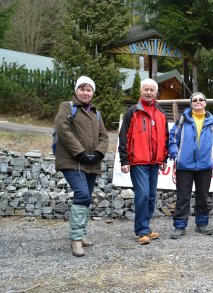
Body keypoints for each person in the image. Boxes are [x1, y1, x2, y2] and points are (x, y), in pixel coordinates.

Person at [54, 76, 108, 257]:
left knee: (87, 197)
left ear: (93, 92)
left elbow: (104, 137)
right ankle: (76, 239)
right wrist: (80, 153)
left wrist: (99, 153)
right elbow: (63, 130)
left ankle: (82, 233)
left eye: (89, 89)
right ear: (76, 90)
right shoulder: (67, 107)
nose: (85, 92)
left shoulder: (96, 113)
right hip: (71, 161)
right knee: (82, 194)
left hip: (91, 162)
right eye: (82, 89)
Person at [168, 92, 213, 239]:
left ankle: (202, 224)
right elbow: (173, 138)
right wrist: (176, 155)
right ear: (191, 103)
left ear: (205, 103)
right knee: (183, 197)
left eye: (201, 100)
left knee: (202, 197)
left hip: (205, 166)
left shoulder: (212, 120)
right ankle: (179, 226)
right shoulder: (183, 120)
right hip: (184, 166)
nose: (198, 102)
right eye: (195, 100)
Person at [118, 78, 169, 245]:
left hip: (155, 162)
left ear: (156, 93)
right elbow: (124, 137)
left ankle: (146, 227)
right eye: (146, 89)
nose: (148, 92)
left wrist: (164, 158)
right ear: (140, 92)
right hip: (138, 163)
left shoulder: (161, 114)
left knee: (152, 196)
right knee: (143, 195)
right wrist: (124, 160)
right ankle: (141, 230)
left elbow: (165, 138)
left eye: (152, 90)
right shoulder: (132, 112)